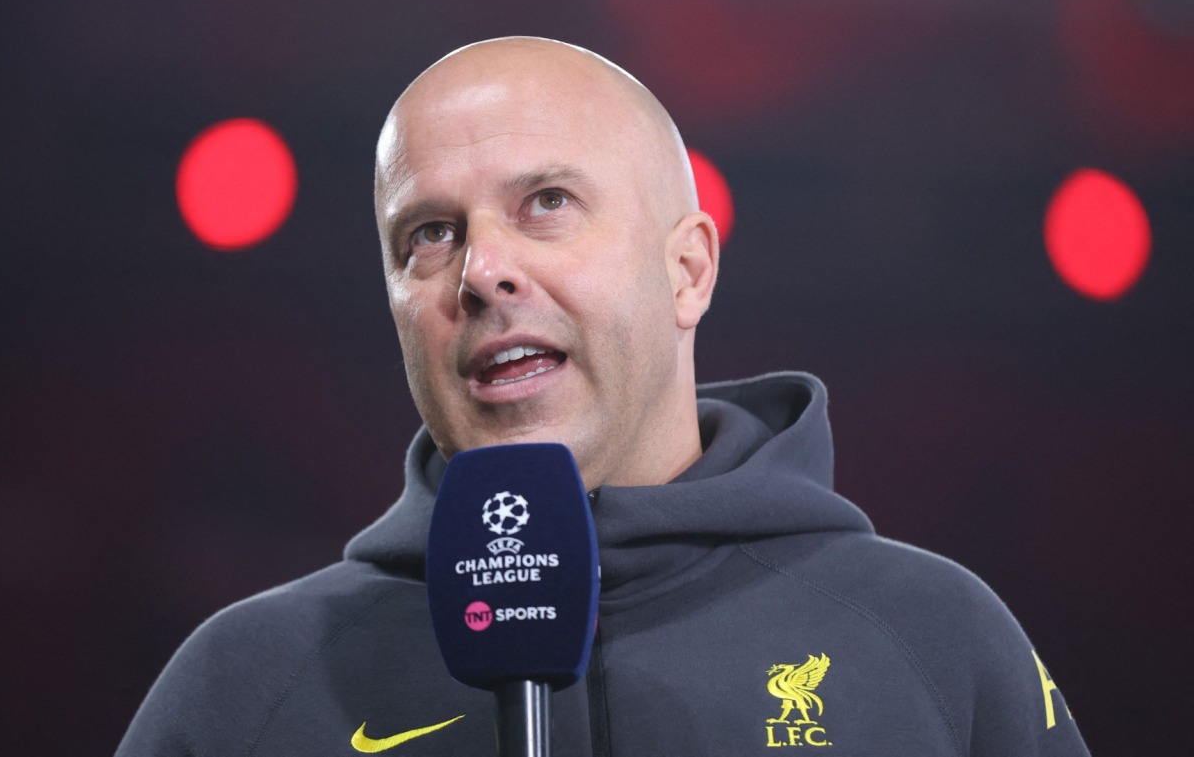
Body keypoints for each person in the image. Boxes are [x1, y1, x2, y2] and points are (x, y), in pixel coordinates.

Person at [117, 37, 1090, 756]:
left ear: (688, 271)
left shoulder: (935, 642)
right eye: (429, 232)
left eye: (546, 203)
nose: (482, 270)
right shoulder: (239, 689)